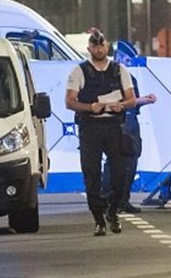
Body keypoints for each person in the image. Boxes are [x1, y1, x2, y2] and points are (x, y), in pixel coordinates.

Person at [65, 30, 136, 236]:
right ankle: (98, 219)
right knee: (91, 174)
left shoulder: (119, 70)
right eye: (95, 46)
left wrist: (121, 105)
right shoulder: (79, 71)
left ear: (107, 47)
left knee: (120, 173)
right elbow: (70, 101)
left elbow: (131, 98)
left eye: (102, 45)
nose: (99, 49)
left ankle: (113, 211)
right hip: (91, 127)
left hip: (114, 126)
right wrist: (90, 107)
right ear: (89, 49)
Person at [102, 75, 156, 214]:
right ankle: (110, 200)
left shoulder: (130, 78)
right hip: (119, 122)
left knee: (130, 161)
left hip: (129, 122)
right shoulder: (110, 78)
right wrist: (139, 100)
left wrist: (141, 101)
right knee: (117, 161)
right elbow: (115, 102)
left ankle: (121, 200)